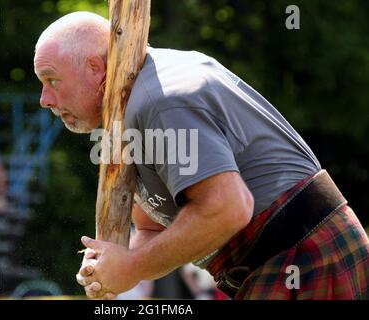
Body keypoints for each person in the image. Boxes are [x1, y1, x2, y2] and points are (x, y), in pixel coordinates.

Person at [34, 12, 369, 300]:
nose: (44, 99)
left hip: (304, 252)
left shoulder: (159, 98)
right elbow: (153, 226)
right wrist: (111, 266)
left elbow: (226, 208)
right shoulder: (125, 112)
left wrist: (133, 267)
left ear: (95, 67)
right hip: (276, 260)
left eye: (52, 80)